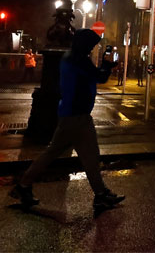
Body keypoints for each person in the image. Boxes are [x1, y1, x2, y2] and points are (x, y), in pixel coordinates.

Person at [9, 29, 125, 210]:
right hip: (76, 116)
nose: (92, 48)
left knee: (78, 155)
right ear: (84, 44)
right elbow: (99, 76)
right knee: (83, 156)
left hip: (74, 114)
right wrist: (107, 66)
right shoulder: (78, 59)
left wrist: (104, 67)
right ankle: (24, 186)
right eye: (91, 45)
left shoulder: (71, 57)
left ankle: (24, 185)